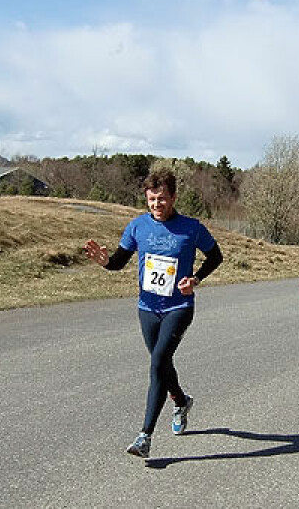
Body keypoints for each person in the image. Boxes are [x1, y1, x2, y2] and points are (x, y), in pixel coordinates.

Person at [84, 167, 223, 459]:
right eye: (151, 199)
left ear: (173, 197)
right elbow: (120, 261)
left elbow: (216, 256)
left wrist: (195, 279)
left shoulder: (191, 227)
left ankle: (144, 436)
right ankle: (181, 401)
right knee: (161, 363)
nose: (156, 205)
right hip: (147, 308)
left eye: (161, 198)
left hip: (178, 307)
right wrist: (105, 261)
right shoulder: (137, 227)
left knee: (158, 361)